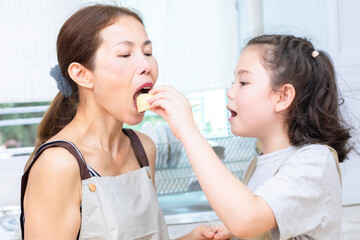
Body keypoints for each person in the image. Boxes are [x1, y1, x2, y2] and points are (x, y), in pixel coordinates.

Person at [20, 4, 231, 240]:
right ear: (82, 75)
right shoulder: (58, 164)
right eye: (125, 55)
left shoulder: (143, 148)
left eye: (148, 53)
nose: (147, 66)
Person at [149, 34, 353, 239]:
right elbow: (257, 218)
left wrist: (188, 132)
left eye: (243, 82)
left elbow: (247, 219)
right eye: (233, 81)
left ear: (282, 97)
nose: (230, 91)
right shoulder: (256, 166)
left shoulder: (315, 162)